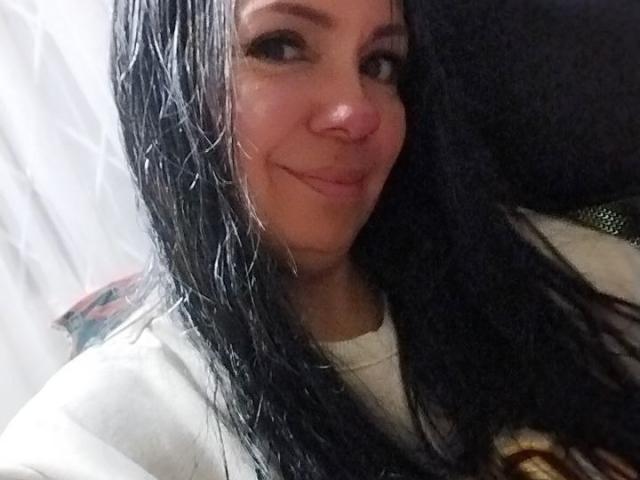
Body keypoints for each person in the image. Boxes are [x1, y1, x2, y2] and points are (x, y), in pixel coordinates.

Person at [1, 0, 639, 479]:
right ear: (165, 88)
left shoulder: (531, 270)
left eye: (380, 63)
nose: (357, 111)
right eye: (280, 46)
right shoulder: (100, 436)